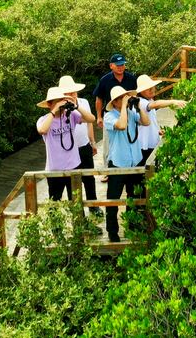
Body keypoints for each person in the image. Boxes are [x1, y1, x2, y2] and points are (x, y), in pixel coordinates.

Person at [102, 84, 150, 242]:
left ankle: (132, 223)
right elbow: (121, 125)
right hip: (118, 164)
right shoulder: (110, 116)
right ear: (115, 101)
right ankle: (112, 231)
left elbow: (146, 122)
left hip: (134, 162)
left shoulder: (131, 112)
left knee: (134, 196)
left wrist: (138, 107)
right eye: (122, 98)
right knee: (113, 200)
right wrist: (124, 106)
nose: (126, 100)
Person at [35, 85, 92, 201]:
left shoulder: (71, 115)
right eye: (57, 102)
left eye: (62, 101)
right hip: (55, 169)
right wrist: (55, 110)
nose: (61, 104)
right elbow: (42, 130)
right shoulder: (43, 120)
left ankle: (80, 220)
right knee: (54, 203)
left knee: (76, 202)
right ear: (50, 105)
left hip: (74, 166)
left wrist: (76, 107)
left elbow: (91, 119)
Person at [56, 75, 101, 216]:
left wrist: (92, 142)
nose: (72, 94)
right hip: (69, 151)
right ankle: (77, 212)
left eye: (74, 91)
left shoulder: (83, 102)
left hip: (84, 145)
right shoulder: (59, 108)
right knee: (72, 184)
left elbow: (89, 122)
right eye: (69, 92)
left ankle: (93, 205)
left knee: (89, 178)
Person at [135, 74, 187, 165]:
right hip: (144, 145)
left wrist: (157, 130)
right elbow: (155, 105)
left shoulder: (149, 100)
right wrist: (173, 101)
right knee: (145, 171)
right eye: (148, 88)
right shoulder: (140, 102)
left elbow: (150, 118)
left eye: (153, 87)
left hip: (151, 142)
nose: (152, 89)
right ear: (141, 91)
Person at [94, 53, 137, 129]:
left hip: (129, 112)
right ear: (111, 66)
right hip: (111, 113)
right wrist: (99, 116)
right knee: (109, 139)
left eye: (122, 65)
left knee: (130, 136)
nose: (120, 67)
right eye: (118, 65)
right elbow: (99, 98)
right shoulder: (104, 80)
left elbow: (136, 94)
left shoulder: (131, 78)